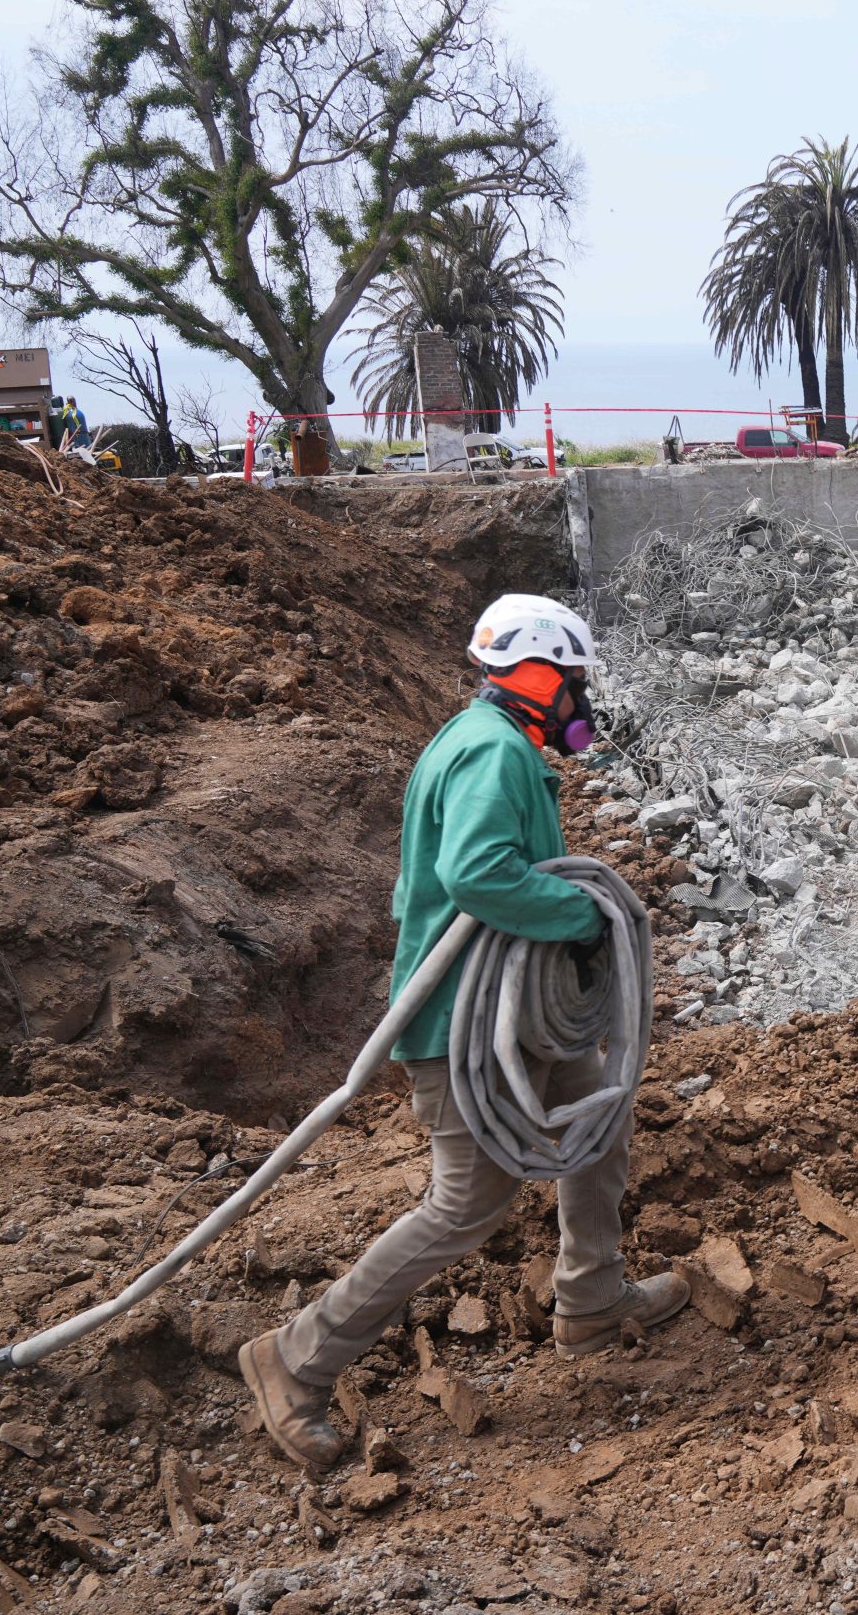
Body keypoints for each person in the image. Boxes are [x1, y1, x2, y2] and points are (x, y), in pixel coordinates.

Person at [240, 594, 688, 1471]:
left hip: (518, 1017)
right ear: (531, 673)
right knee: (466, 1203)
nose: (576, 701)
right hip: (463, 1026)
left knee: (599, 1114)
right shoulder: (489, 750)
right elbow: (479, 872)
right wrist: (583, 917)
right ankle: (294, 1358)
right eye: (569, 681)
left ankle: (591, 1297)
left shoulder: (482, 741)